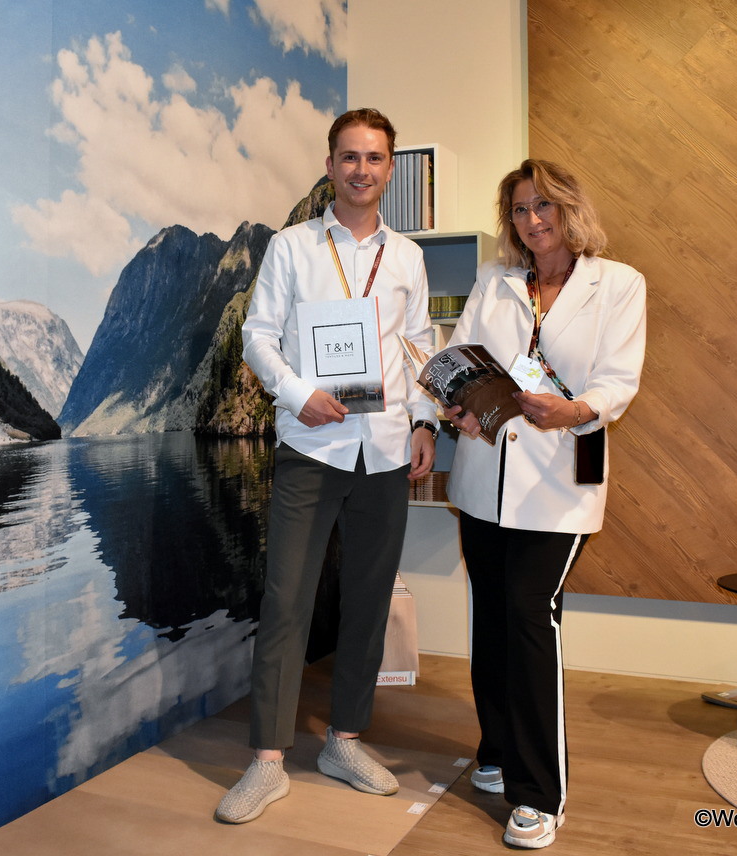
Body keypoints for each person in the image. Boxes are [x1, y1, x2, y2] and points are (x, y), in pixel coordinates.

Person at [217, 108, 439, 824]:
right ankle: (267, 761)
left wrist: (426, 421)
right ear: (330, 165)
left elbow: (420, 345)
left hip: (386, 448)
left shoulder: (407, 257)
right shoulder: (292, 248)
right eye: (349, 157)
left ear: (390, 169)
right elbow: (258, 337)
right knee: (286, 600)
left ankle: (344, 741)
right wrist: (297, 394)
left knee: (368, 601)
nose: (360, 170)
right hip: (312, 445)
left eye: (374, 158)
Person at [445, 159, 646, 849]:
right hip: (484, 478)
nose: (532, 220)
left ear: (569, 209)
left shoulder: (617, 284)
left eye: (544, 206)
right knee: (493, 616)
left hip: (562, 479)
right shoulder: (495, 282)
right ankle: (498, 750)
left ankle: (539, 794)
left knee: (531, 614)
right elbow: (462, 357)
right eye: (520, 210)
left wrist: (576, 410)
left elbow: (619, 380)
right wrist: (457, 406)